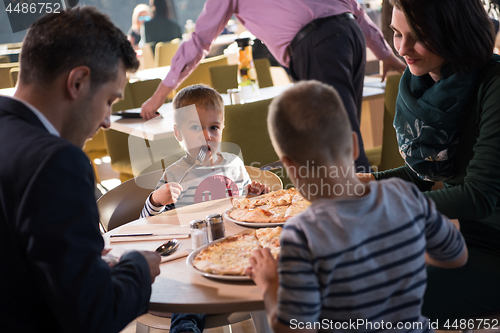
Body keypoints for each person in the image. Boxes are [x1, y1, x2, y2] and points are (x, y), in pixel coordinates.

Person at [245, 80, 467, 332]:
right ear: (354, 145)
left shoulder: (302, 233)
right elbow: (457, 256)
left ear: (289, 166)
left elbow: (293, 328)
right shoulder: (405, 195)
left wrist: (269, 284)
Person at [0, 7, 161, 332]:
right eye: (109, 102)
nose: (105, 121)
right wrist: (137, 266)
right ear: (78, 82)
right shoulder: (55, 163)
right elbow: (94, 314)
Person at [140, 0, 407, 173]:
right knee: (344, 138)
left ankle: (366, 231)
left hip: (318, 46)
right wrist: (384, 54)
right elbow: (356, 10)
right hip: (349, 35)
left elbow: (199, 41)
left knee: (338, 146)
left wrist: (158, 97)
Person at [358, 0, 500, 323]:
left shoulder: (494, 83)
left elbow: (478, 196)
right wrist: (364, 185)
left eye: (418, 35)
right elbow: (421, 175)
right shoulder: (424, 84)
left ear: (453, 30)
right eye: (396, 34)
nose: (403, 48)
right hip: (471, 235)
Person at [141, 84, 269, 218]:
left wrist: (256, 197)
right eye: (196, 127)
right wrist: (156, 201)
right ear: (178, 133)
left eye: (214, 127)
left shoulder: (235, 165)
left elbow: (245, 207)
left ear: (222, 128)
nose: (207, 136)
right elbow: (145, 223)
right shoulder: (173, 175)